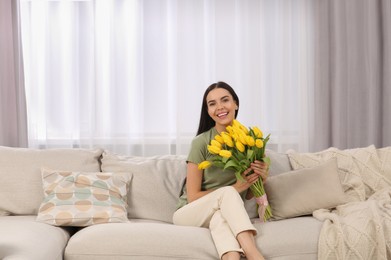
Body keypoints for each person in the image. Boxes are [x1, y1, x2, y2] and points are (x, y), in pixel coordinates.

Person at [173, 81, 268, 260]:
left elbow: (248, 196)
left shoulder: (249, 141)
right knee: (226, 194)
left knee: (220, 222)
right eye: (212, 103)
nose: (220, 107)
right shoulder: (201, 143)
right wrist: (235, 188)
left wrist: (261, 178)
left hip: (220, 211)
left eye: (225, 100)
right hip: (189, 213)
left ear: (236, 104)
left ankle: (232, 256)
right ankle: (253, 253)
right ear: (208, 110)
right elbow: (193, 196)